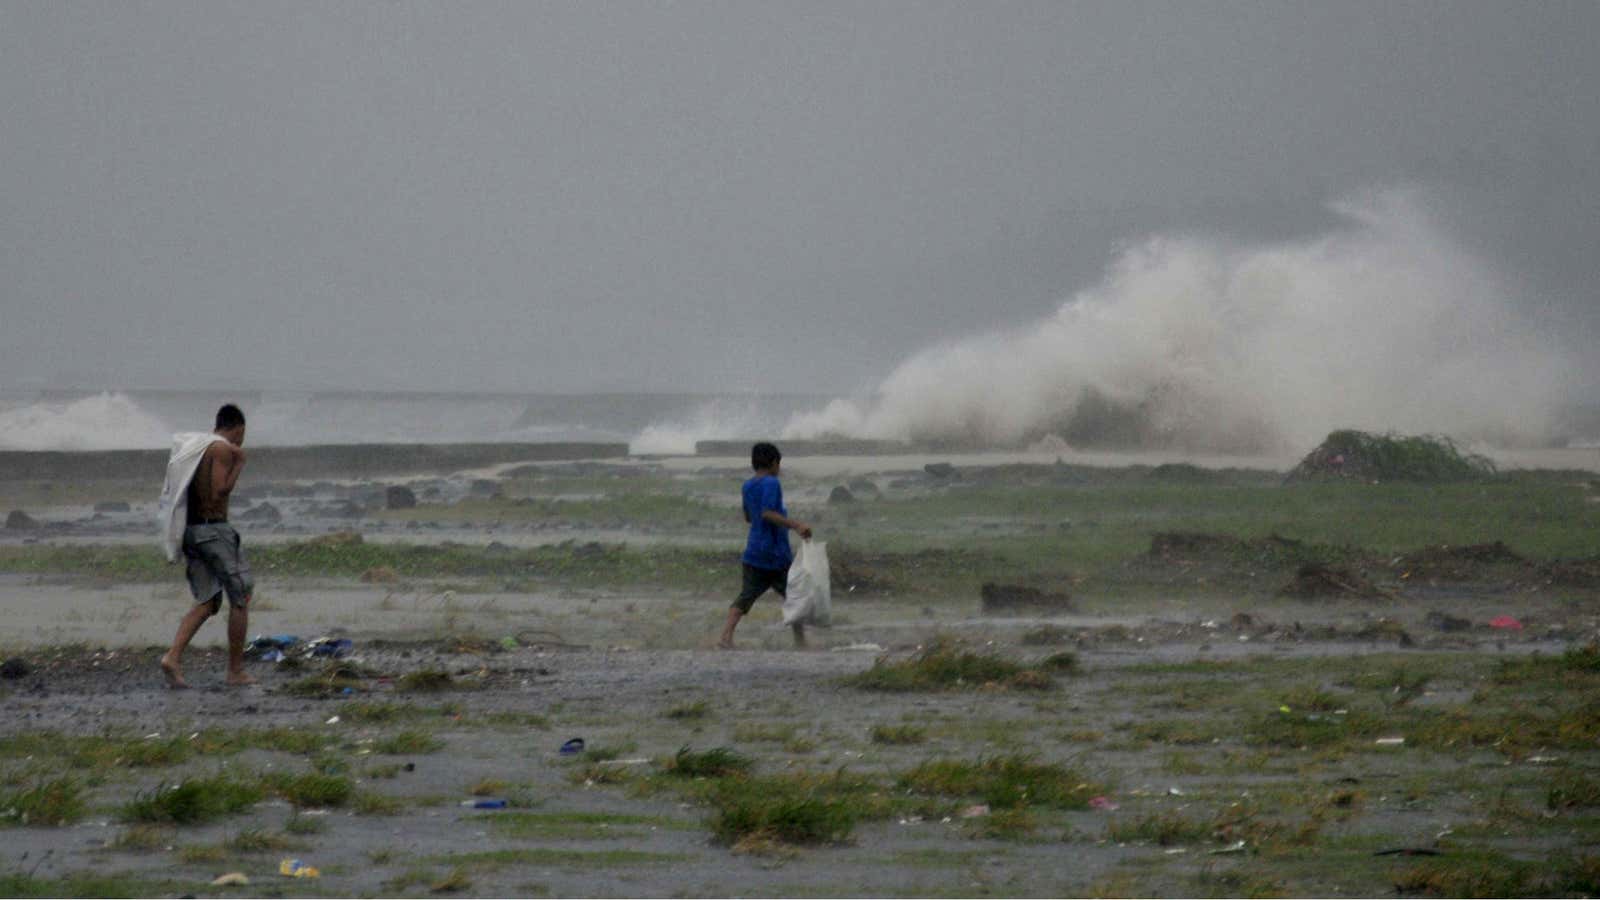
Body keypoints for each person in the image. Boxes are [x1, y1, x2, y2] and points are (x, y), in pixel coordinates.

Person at [159, 404, 255, 688]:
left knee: (209, 601)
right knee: (241, 597)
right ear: (237, 428)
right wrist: (239, 463)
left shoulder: (197, 448)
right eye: (241, 435)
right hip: (214, 530)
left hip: (191, 531)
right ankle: (235, 671)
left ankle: (172, 657)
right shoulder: (223, 450)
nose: (240, 442)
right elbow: (218, 492)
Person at [718, 441, 812, 650]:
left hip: (754, 552)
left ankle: (725, 637)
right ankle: (801, 642)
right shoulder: (772, 483)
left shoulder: (747, 486)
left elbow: (748, 517)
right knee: (794, 597)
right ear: (773, 462)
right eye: (779, 463)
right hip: (775, 553)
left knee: (746, 597)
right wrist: (796, 525)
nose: (779, 469)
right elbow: (767, 513)